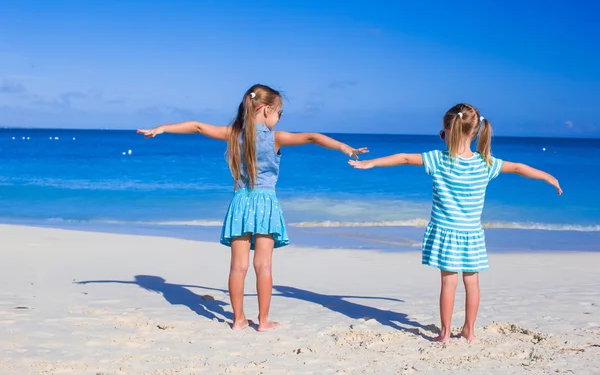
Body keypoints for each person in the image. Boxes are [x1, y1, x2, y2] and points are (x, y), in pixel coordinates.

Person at [138, 84, 368, 331]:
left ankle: (238, 320)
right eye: (280, 112)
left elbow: (197, 126)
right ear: (266, 109)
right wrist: (345, 148)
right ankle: (264, 321)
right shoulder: (275, 138)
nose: (279, 118)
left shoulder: (233, 134)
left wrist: (162, 128)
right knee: (264, 266)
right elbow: (312, 137)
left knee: (238, 266)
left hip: (240, 202)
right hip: (266, 203)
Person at [349, 103, 561, 342]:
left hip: (446, 234)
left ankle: (445, 333)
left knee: (448, 283)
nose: (442, 136)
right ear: (475, 132)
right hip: (472, 235)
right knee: (472, 282)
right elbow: (519, 167)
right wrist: (547, 176)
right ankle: (469, 331)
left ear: (451, 131)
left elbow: (405, 158)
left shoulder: (438, 159)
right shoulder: (486, 163)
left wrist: (371, 163)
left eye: (442, 132)